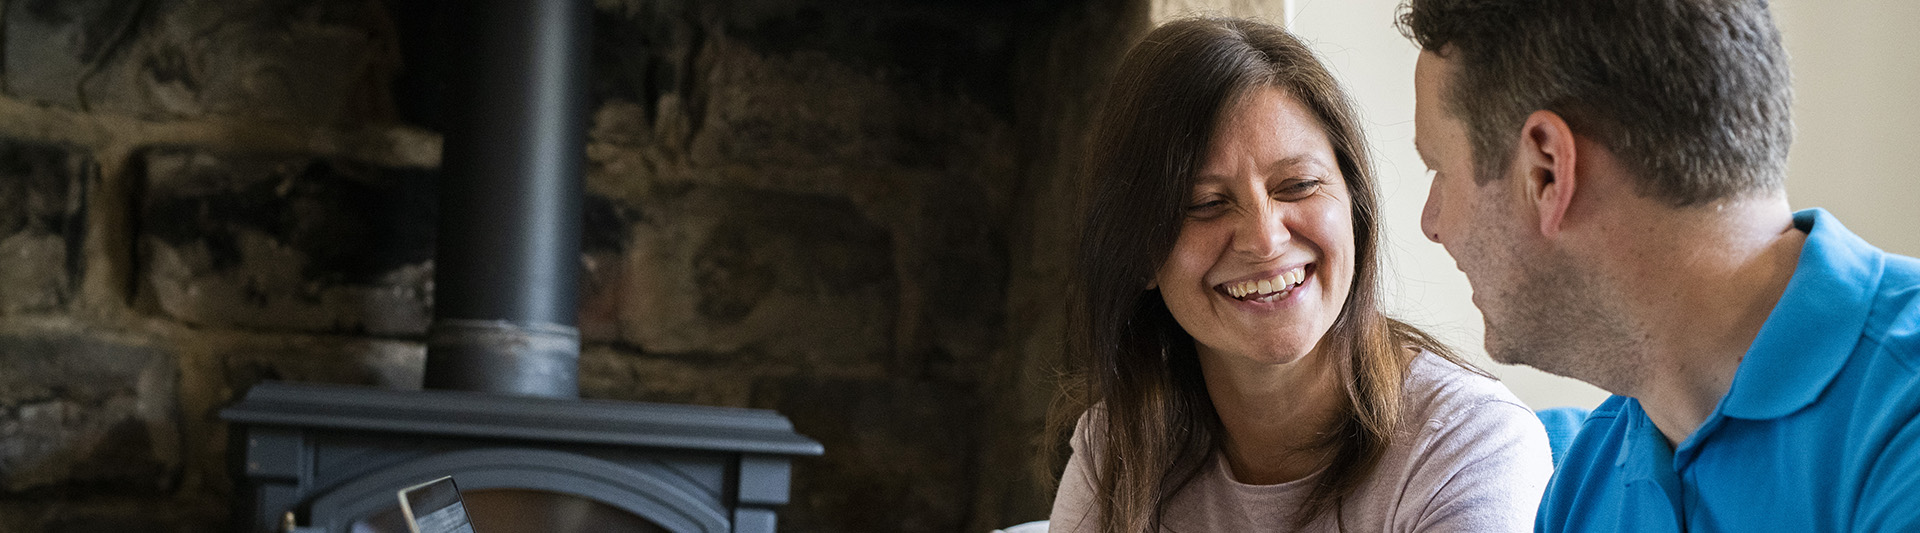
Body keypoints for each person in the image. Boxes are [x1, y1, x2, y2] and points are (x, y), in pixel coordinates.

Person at [1398, 0, 1920, 531]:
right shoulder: (1587, 478)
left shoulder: (1904, 416)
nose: (1432, 222)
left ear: (1547, 170)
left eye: (1439, 170)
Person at [1048, 17, 1552, 532]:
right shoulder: (1114, 448)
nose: (1265, 239)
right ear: (1139, 251)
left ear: (1353, 208)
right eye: (1205, 204)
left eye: (1298, 185)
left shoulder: (1469, 444)